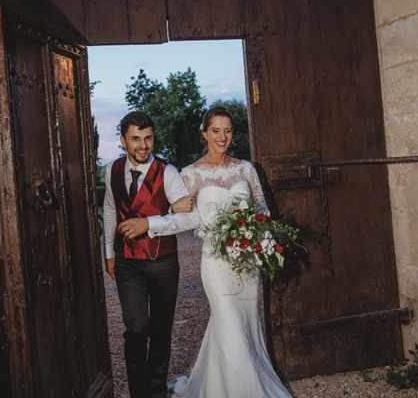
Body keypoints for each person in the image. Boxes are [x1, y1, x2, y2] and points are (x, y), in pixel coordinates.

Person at [170, 106, 293, 397]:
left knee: (243, 325)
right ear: (204, 133)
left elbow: (262, 211)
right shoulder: (190, 174)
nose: (222, 137)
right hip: (215, 263)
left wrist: (261, 242)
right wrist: (158, 218)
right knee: (227, 320)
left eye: (227, 131)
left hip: (247, 262)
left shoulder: (245, 168)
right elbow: (183, 216)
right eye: (216, 131)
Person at [103, 111, 198, 398]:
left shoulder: (168, 172)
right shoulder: (112, 170)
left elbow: (190, 218)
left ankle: (155, 391)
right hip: (126, 262)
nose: (143, 145)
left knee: (160, 330)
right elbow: (110, 210)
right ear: (123, 141)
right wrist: (109, 252)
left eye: (148, 138)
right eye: (136, 139)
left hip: (163, 263)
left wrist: (150, 223)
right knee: (136, 328)